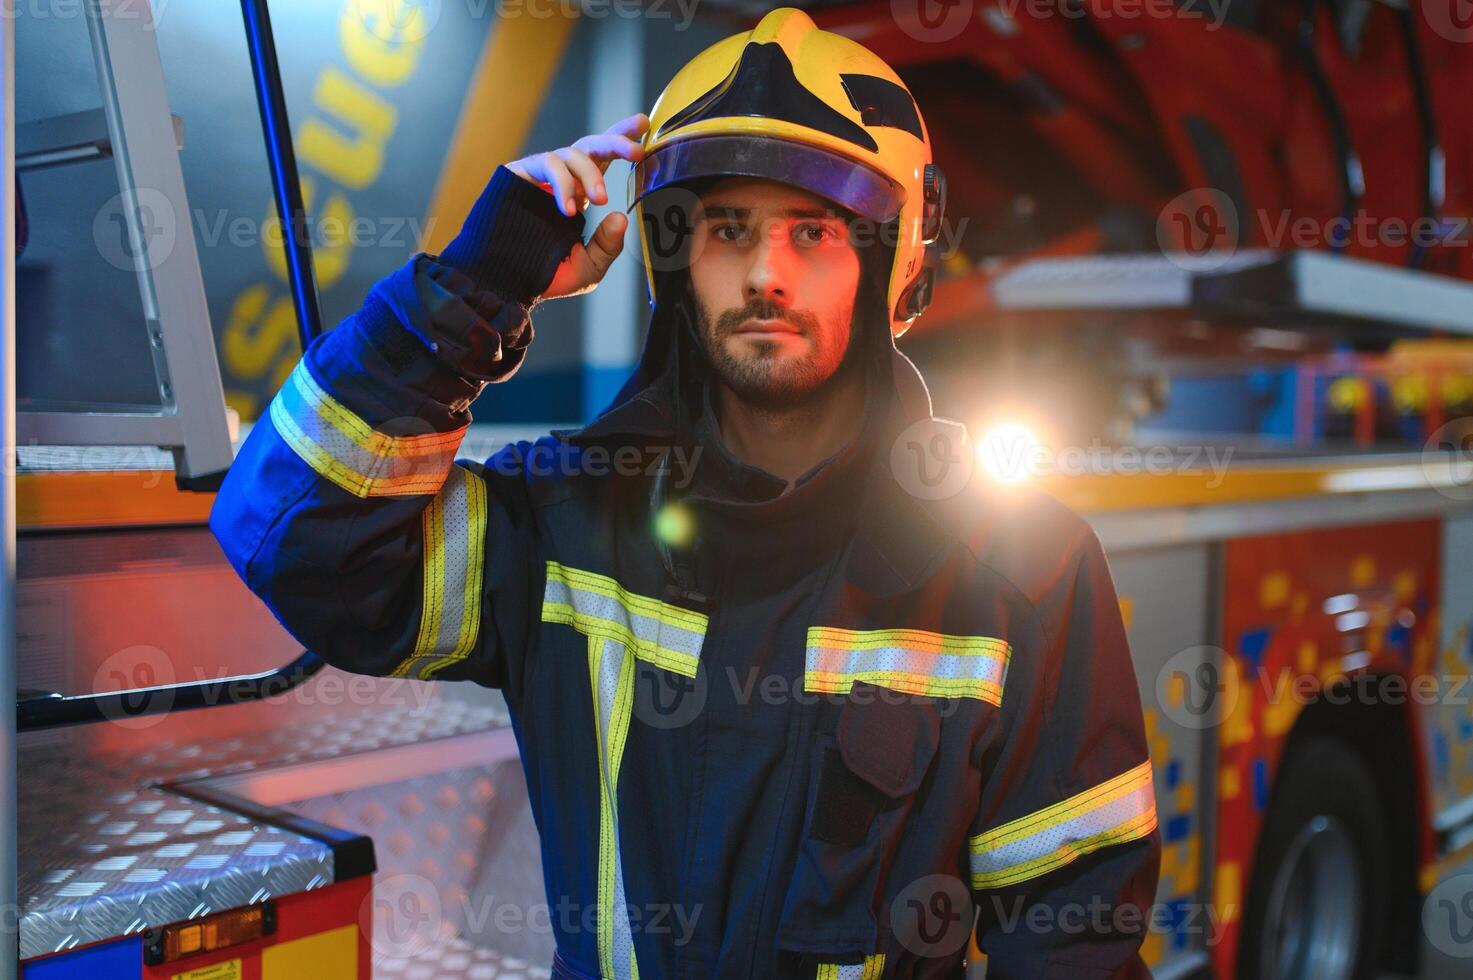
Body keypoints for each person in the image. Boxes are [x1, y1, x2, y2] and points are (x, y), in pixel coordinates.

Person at [210, 8, 1160, 978]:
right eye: (726, 228)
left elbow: (1070, 935)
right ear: (674, 258)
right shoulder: (568, 519)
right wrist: (475, 288)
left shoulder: (1019, 568)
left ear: (897, 264)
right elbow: (294, 540)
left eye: (814, 231)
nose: (764, 273)